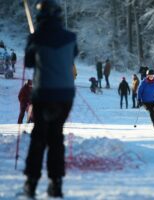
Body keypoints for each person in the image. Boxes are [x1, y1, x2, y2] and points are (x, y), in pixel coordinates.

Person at [22, 0, 78, 198]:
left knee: (39, 136)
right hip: (65, 95)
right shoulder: (71, 37)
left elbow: (29, 63)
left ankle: (31, 182)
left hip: (44, 92)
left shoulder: (36, 38)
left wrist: (32, 43)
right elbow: (71, 56)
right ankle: (56, 183)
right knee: (56, 137)